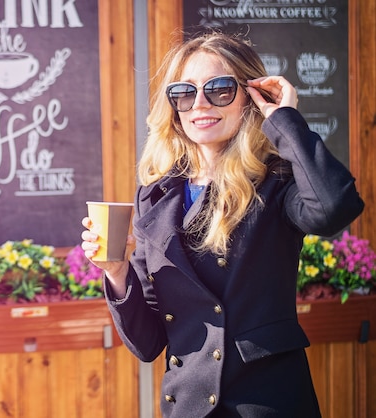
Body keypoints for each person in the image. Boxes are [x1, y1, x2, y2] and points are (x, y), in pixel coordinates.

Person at [81, 32, 364, 417]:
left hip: (266, 402)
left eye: (218, 89)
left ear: (250, 96)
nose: (200, 104)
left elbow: (335, 207)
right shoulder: (155, 194)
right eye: (184, 92)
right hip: (189, 404)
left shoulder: (276, 181)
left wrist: (284, 119)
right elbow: (147, 344)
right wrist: (116, 272)